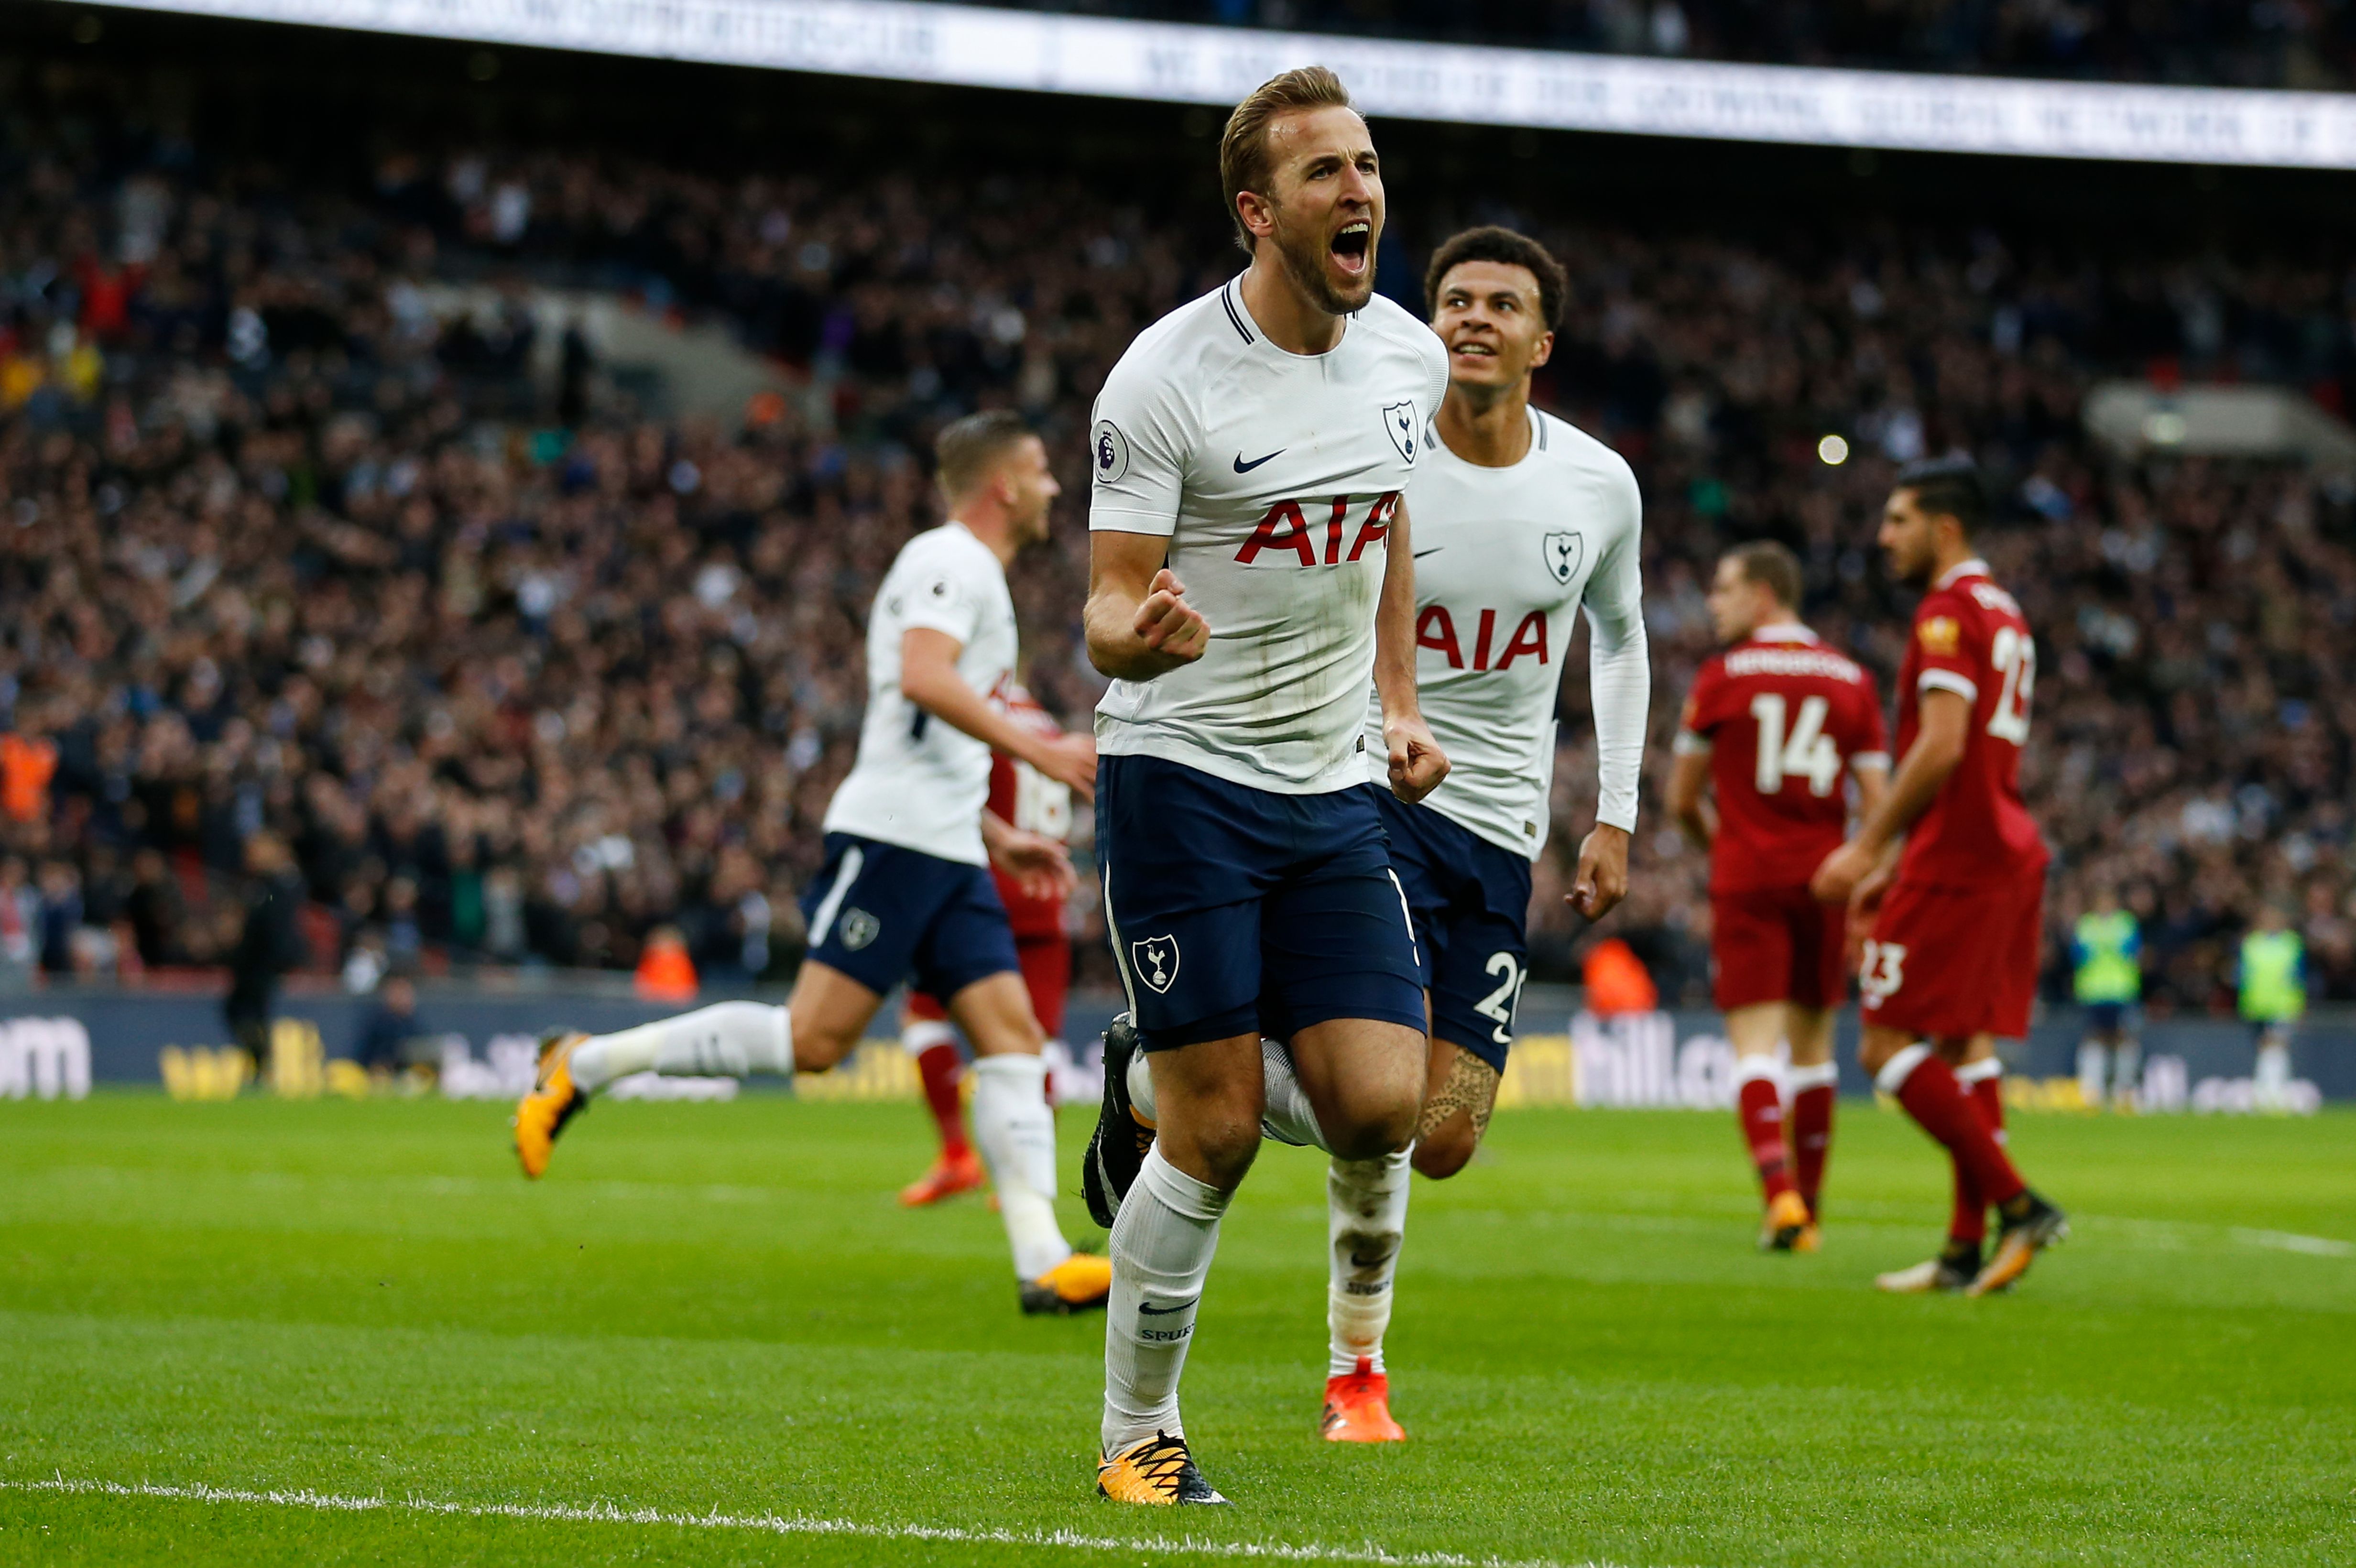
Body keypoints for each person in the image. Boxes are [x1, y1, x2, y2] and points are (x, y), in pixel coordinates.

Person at [1099, 224, 1648, 1445]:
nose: (1472, 320)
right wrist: (1380, 717)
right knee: (1272, 1109)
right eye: (1456, 298)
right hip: (1362, 800)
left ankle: (1161, 1065)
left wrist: (1613, 808)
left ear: (1542, 340)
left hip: (1499, 825)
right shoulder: (1366, 419)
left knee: (1436, 1130)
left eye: (1503, 303)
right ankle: (1355, 1371)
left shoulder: (1597, 484)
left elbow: (1620, 634)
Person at [510, 412, 1108, 1317]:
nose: (1056, 489)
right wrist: (1038, 755)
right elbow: (921, 678)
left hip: (948, 847)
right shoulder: (949, 560)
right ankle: (582, 1064)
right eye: (1042, 471)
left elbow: (927, 736)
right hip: (895, 843)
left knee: (1016, 1044)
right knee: (814, 1042)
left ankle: (1042, 1260)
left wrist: (996, 833)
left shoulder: (975, 572)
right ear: (1004, 487)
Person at [1078, 66, 1449, 1505]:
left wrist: (1398, 701)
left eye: (1365, 165)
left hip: (1331, 779)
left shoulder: (1405, 361)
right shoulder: (1162, 378)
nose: (1356, 189)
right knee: (1218, 1129)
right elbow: (1106, 607)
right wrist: (1144, 635)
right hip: (1180, 772)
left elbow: (1386, 519)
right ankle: (1135, 1436)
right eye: (1322, 174)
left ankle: (1140, 1061)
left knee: (1379, 1107)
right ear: (1256, 210)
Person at [1812, 458, 2067, 1297]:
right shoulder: (2005, 611)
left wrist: (1868, 846)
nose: (1883, 537)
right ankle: (1964, 1248)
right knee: (1962, 1046)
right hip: (2002, 847)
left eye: (1897, 521)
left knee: (1885, 1041)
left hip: (1958, 856)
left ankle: (2016, 1202)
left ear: (1942, 527)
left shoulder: (1948, 613)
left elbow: (1943, 742)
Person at [1668, 540, 1887, 1251]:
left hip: (1750, 878)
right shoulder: (1852, 679)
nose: (1714, 603)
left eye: (1724, 589)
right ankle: (1813, 1209)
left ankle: (1780, 1198)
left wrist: (1724, 847)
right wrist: (1857, 867)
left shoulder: (1723, 677)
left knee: (1756, 1050)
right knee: (1817, 1050)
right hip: (1826, 878)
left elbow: (1681, 800)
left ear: (1763, 594)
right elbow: (1879, 807)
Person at [897, 681, 1078, 1209]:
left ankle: (957, 1155)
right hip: (1045, 895)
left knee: (923, 1014)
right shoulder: (1040, 718)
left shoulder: (974, 707)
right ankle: (1027, 1173)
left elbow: (944, 785)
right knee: (1036, 1041)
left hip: (980, 887)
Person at [225, 832, 303, 1077]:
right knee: (244, 1012)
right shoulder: (261, 884)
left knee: (251, 1011)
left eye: (257, 850)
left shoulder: (282, 883)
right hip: (251, 962)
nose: (252, 856)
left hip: (264, 962)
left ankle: (263, 1060)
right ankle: (260, 1060)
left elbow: (277, 924)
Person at [2071, 887, 2143, 1110]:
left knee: (2123, 1037)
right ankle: (2093, 1090)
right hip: (2093, 991)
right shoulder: (2086, 925)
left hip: (2121, 990)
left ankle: (2124, 1090)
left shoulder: (2125, 924)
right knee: (2095, 1037)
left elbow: (2135, 952)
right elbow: (2077, 956)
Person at [2236, 904, 2306, 1111]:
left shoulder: (2292, 943)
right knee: (2264, 1048)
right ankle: (2266, 1092)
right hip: (2256, 1005)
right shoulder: (2251, 943)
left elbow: (2299, 976)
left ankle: (2274, 1093)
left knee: (2276, 1046)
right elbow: (2243, 975)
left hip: (2284, 1004)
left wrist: (2300, 1004)